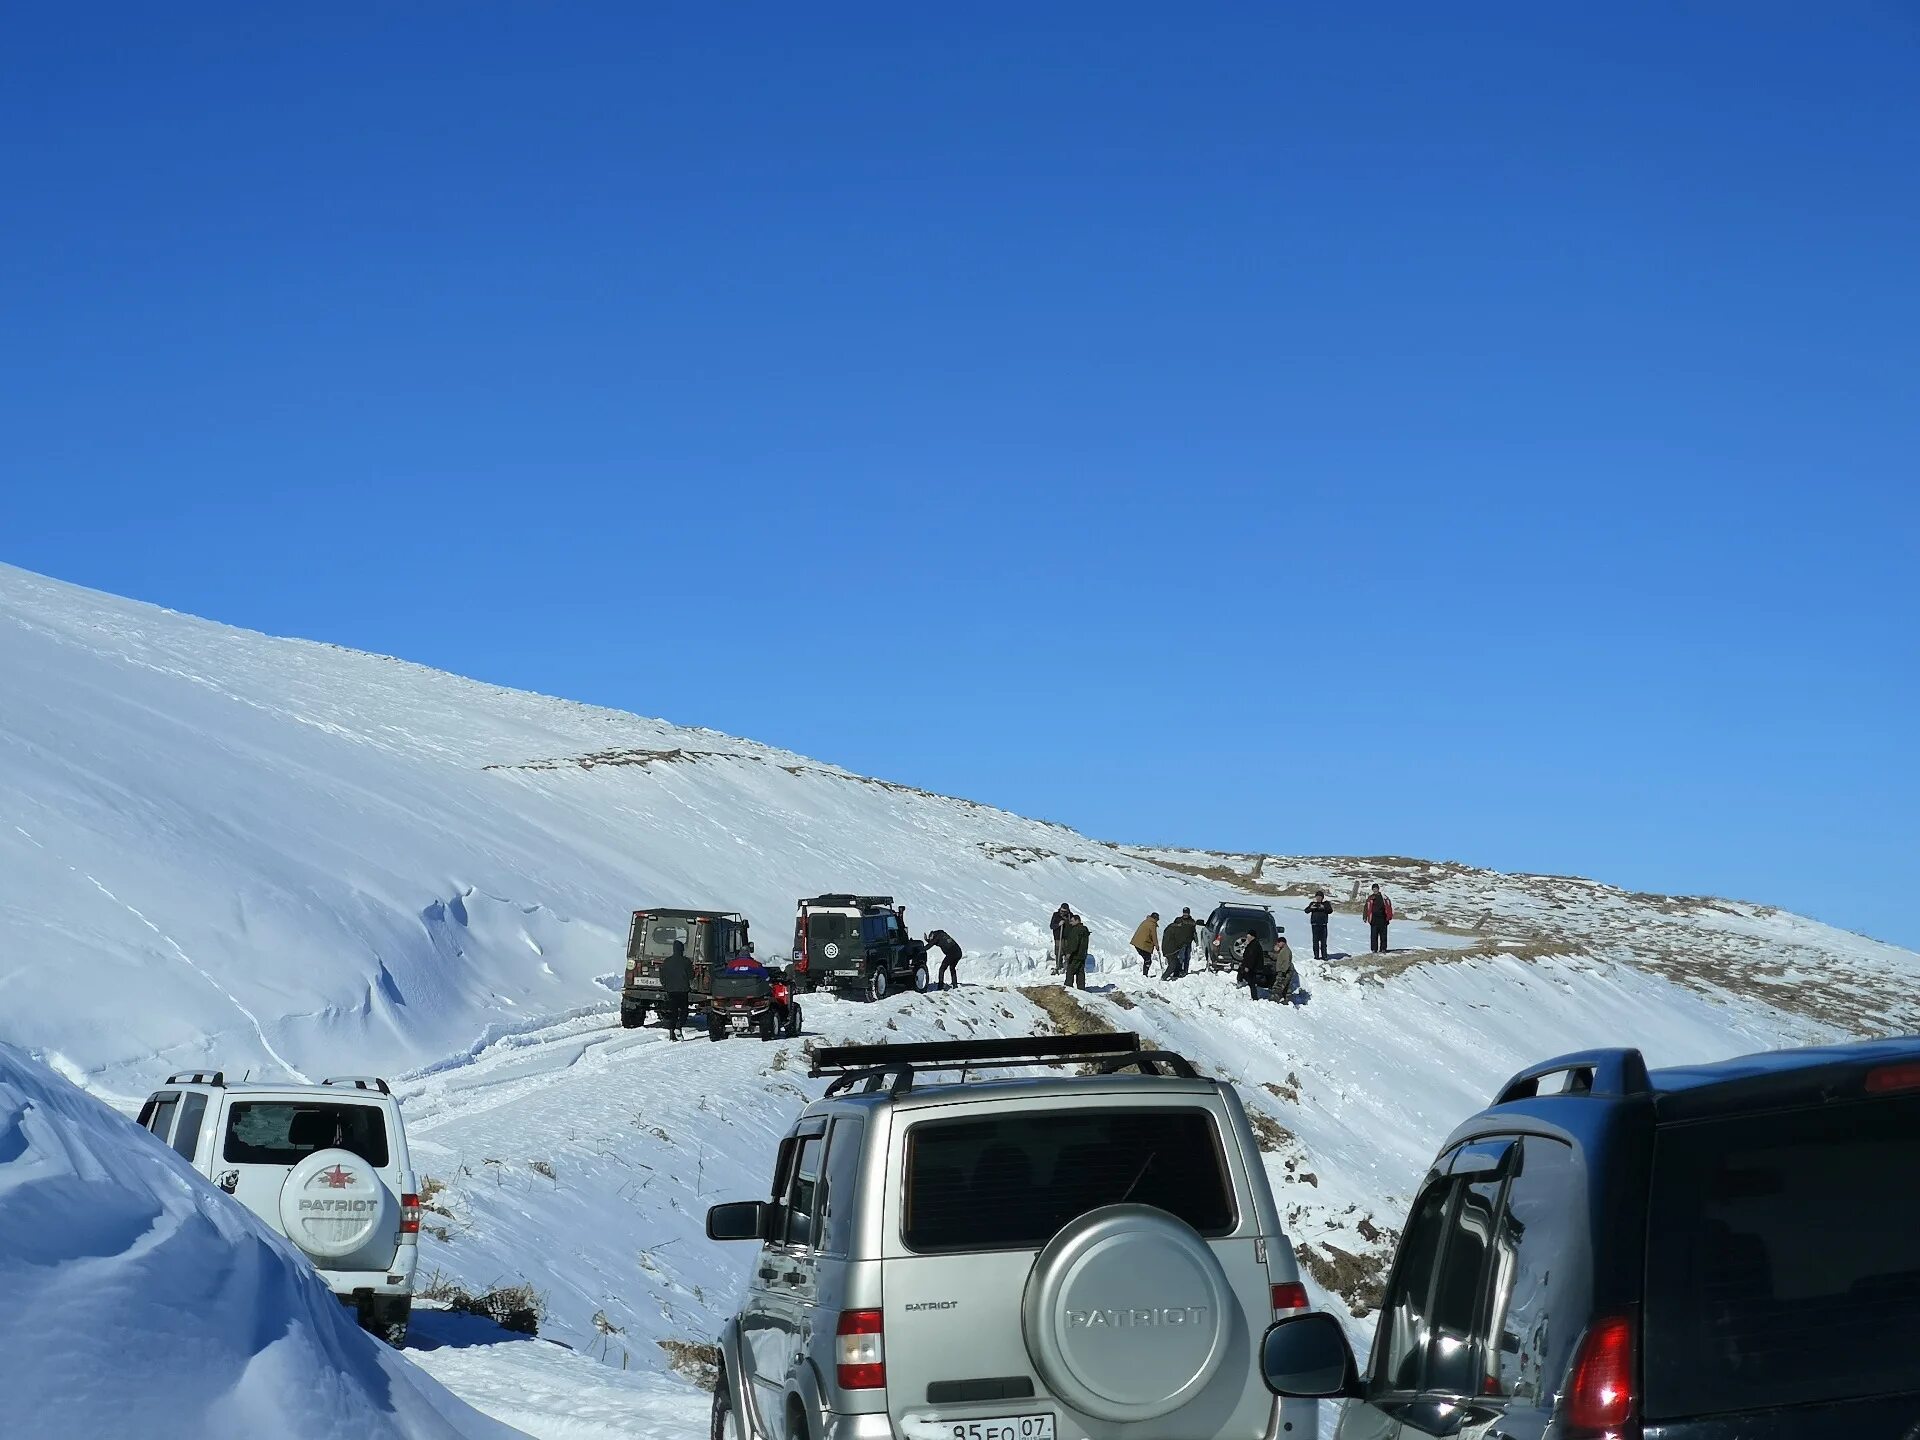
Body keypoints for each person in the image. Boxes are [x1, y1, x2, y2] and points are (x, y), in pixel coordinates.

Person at [660, 939, 694, 1042]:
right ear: (682, 950)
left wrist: (665, 986)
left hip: (670, 991)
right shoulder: (686, 961)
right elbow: (691, 975)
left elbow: (662, 977)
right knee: (684, 1011)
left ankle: (672, 1035)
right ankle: (679, 1027)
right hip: (683, 990)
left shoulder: (667, 961)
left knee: (672, 1013)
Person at [1161, 907, 1198, 979]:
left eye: (1186, 913)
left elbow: (1194, 932)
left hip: (1188, 942)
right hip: (1180, 943)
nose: (1185, 914)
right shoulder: (1179, 920)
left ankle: (1185, 971)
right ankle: (1178, 971)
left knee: (1187, 958)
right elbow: (1174, 930)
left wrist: (1196, 940)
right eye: (1184, 913)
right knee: (1180, 957)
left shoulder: (1192, 922)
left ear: (1189, 913)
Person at [1060, 911, 1091, 991]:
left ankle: (1068, 989)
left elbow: (1074, 943)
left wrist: (1069, 953)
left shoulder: (1076, 930)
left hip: (1075, 955)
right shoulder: (1084, 930)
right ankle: (1081, 989)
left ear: (1077, 921)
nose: (1070, 923)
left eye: (1072, 921)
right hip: (1082, 955)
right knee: (1080, 972)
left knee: (1070, 971)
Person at [1235, 931, 1268, 1001]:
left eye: (1248, 937)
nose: (1247, 938)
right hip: (1251, 966)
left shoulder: (1254, 946)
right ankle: (1240, 984)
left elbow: (1252, 958)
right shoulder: (1252, 944)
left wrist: (1248, 967)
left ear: (1253, 937)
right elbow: (1247, 955)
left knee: (1252, 982)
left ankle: (1254, 998)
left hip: (1253, 967)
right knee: (1245, 976)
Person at [1304, 890, 1334, 961]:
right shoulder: (1313, 903)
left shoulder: (1326, 903)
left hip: (1323, 925)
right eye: (1317, 897)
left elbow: (1330, 910)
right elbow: (1306, 911)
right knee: (1315, 942)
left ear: (1322, 897)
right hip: (1315, 925)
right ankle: (1316, 956)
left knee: (1323, 942)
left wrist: (1322, 907)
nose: (1318, 898)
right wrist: (1312, 908)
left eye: (1320, 897)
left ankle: (1324, 956)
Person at [1269, 930, 1297, 1003]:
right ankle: (1287, 999)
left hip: (1284, 972)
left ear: (1283, 942)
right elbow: (1278, 957)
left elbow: (1286, 962)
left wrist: (1283, 971)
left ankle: (1274, 999)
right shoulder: (1282, 951)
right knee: (1286, 986)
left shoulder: (1286, 951)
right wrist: (1271, 954)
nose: (1277, 944)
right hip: (1283, 971)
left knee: (1278, 985)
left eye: (1279, 942)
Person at [1363, 884, 1393, 953]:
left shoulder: (1384, 897)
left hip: (1383, 919)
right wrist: (1365, 917)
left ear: (1378, 889)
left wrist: (1389, 916)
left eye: (1376, 888)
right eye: (1373, 889)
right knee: (1374, 936)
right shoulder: (1370, 898)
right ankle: (1374, 949)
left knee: (1383, 935)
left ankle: (1383, 948)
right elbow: (1366, 908)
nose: (1375, 890)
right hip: (1373, 919)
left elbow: (1389, 907)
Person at [1049, 902, 1072, 974]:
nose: (1063, 913)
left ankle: (1068, 966)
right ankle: (1059, 965)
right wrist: (1059, 924)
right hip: (1058, 937)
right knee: (1058, 952)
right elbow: (1052, 926)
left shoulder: (1070, 916)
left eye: (1064, 911)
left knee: (1067, 951)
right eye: (1062, 911)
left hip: (1067, 937)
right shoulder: (1056, 915)